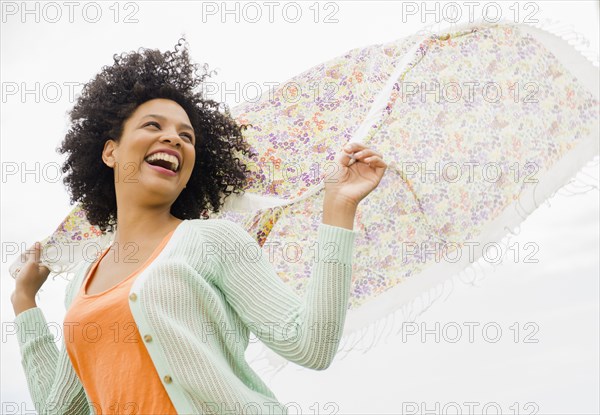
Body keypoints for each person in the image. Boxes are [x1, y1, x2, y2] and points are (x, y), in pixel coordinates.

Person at [10, 39, 387, 414]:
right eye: (153, 125)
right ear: (110, 152)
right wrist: (24, 303)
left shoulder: (215, 241)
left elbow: (311, 345)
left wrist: (338, 208)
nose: (173, 137)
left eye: (186, 136)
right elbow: (60, 409)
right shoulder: (80, 283)